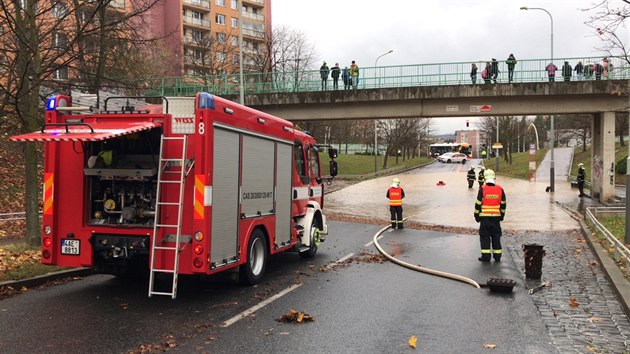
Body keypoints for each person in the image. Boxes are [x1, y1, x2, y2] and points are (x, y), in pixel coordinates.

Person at [474, 169, 506, 262]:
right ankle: (497, 256)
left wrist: (476, 216)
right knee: (496, 237)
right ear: (494, 178)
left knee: (485, 237)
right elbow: (503, 204)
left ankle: (486, 257)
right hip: (496, 219)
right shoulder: (500, 189)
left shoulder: (482, 189)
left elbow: (478, 204)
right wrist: (502, 215)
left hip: (485, 219)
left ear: (485, 178)